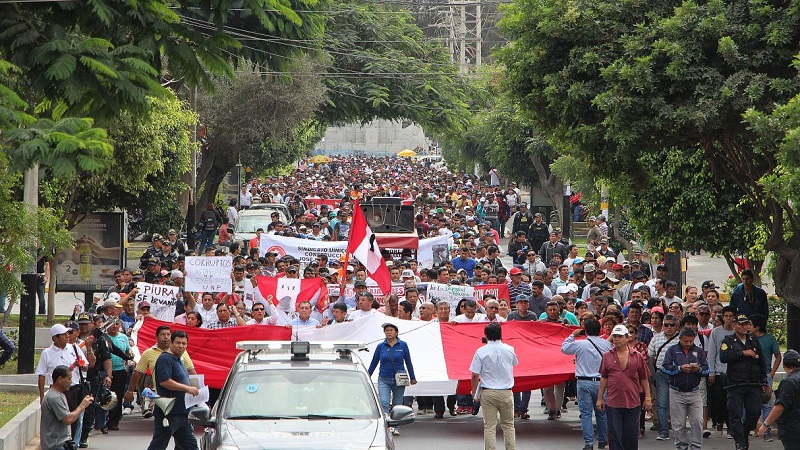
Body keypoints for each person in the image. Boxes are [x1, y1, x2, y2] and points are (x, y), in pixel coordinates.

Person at [598, 324, 652, 450]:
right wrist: (600, 398)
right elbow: (604, 378)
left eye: (620, 336)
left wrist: (648, 398)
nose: (617, 339)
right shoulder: (607, 356)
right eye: (615, 336)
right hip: (613, 402)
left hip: (632, 402)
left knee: (631, 435)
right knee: (614, 436)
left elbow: (644, 378)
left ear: (627, 338)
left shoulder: (637, 356)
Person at [37, 324, 91, 447]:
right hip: (57, 392)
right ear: (55, 338)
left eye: (68, 333)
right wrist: (41, 397)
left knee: (77, 420)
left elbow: (86, 367)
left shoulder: (75, 349)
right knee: (62, 420)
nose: (67, 336)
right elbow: (41, 375)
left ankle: (74, 445)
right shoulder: (47, 353)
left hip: (75, 390)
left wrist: (81, 364)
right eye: (64, 334)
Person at [561, 318, 612, 450]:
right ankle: (602, 440)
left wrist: (572, 335)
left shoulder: (581, 344)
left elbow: (564, 348)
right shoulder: (606, 345)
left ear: (586, 330)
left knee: (586, 414)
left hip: (584, 382)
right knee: (601, 413)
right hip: (601, 382)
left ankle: (589, 443)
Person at [720, 314, 768, 450]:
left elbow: (761, 362)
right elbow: (723, 357)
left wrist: (764, 381)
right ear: (734, 325)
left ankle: (744, 433)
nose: (744, 327)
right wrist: (742, 353)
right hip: (735, 384)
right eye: (740, 324)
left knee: (754, 412)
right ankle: (739, 441)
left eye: (746, 324)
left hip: (753, 383)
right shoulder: (728, 341)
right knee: (735, 413)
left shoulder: (753, 340)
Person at [146, 330, 200, 450]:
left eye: (184, 344)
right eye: (178, 343)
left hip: (182, 413)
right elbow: (165, 381)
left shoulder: (179, 360)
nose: (181, 346)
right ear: (171, 342)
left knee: (189, 446)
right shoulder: (165, 359)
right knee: (158, 445)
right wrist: (187, 388)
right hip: (169, 413)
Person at [470, 323, 518, 450]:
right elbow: (514, 363)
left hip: (488, 392)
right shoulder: (510, 349)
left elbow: (475, 375)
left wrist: (474, 393)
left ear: (486, 335)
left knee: (489, 426)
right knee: (508, 425)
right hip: (506, 392)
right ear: (500, 333)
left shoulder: (480, 351)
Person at [662, 327, 709, 450]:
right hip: (676, 391)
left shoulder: (699, 351)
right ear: (680, 339)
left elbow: (706, 369)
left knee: (698, 421)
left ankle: (696, 446)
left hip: (694, 391)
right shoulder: (672, 351)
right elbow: (665, 367)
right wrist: (679, 369)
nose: (688, 344)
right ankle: (681, 446)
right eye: (685, 341)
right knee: (678, 424)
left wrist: (698, 369)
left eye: (691, 341)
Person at [367, 323, 416, 436]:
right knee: (384, 402)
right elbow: (374, 362)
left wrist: (412, 377)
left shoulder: (403, 345)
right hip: (384, 378)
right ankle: (385, 426)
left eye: (391, 330)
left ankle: (396, 426)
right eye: (386, 330)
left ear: (396, 332)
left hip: (399, 379)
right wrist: (367, 376)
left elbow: (408, 362)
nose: (388, 332)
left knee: (397, 404)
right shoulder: (381, 346)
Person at [40, 365, 94, 450]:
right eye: (69, 379)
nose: (71, 382)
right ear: (60, 379)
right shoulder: (54, 397)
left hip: (62, 444)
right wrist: (82, 406)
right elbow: (67, 419)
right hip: (55, 446)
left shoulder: (60, 395)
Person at [757, 349, 800, 450]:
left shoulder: (789, 382)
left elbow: (780, 406)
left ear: (784, 365)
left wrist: (765, 424)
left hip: (793, 427)